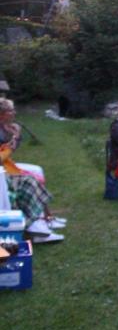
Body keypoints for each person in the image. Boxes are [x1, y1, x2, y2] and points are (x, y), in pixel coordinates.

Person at [0, 98, 64, 242]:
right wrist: (13, 142)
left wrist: (16, 136)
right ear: (1, 114)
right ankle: (36, 228)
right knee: (30, 180)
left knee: (37, 170)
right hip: (2, 171)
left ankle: (46, 219)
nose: (14, 112)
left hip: (6, 167)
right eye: (10, 110)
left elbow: (10, 149)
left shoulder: (6, 127)